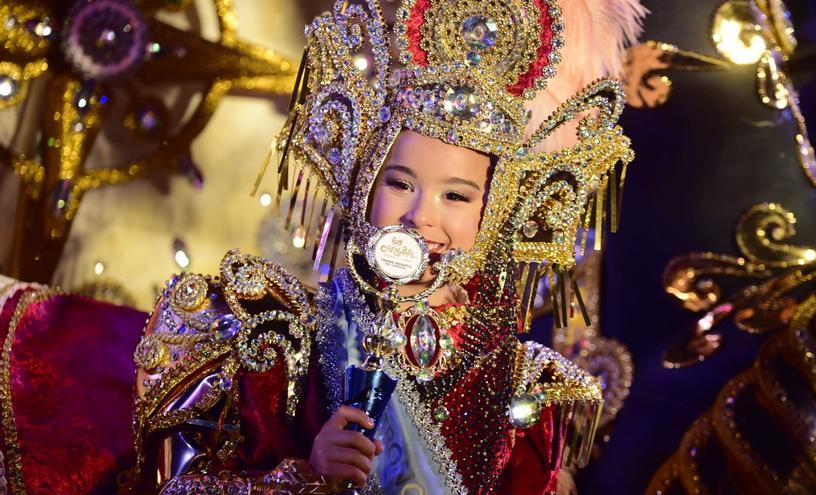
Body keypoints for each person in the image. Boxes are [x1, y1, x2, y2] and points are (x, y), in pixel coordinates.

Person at [120, 0, 637, 493]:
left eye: (456, 195)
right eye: (400, 184)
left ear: (497, 213)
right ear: (362, 185)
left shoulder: (526, 391)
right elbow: (172, 485)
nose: (421, 216)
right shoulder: (268, 337)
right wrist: (306, 477)